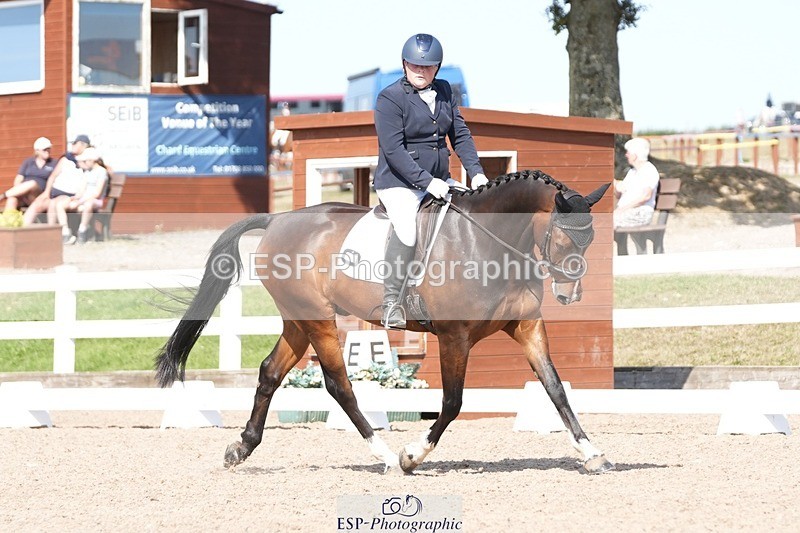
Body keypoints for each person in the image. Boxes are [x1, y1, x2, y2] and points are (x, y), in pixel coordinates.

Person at [373, 33, 488, 329]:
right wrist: (426, 182)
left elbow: (460, 135)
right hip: (399, 184)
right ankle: (391, 303)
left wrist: (476, 172)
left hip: (440, 180)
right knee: (408, 230)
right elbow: (394, 150)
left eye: (427, 67)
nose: (420, 71)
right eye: (414, 66)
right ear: (404, 65)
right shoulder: (389, 98)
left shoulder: (447, 91)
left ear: (437, 68)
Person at [23, 134, 91, 227]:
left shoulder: (87, 162)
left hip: (69, 195)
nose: (73, 145)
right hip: (54, 193)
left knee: (53, 204)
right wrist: (46, 193)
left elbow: (100, 170)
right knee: (38, 203)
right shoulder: (66, 159)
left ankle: (53, 232)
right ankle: (22, 228)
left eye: (75, 143)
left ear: (84, 146)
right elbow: (52, 177)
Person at [49, 147, 108, 244]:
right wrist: (75, 198)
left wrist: (80, 201)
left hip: (94, 201)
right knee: (61, 204)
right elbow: (82, 190)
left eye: (85, 160)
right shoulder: (87, 172)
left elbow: (97, 194)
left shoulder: (102, 172)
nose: (84, 163)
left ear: (91, 160)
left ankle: (82, 231)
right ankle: (66, 232)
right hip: (83, 200)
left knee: (87, 205)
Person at [613, 137, 660, 231]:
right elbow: (619, 194)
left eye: (628, 153)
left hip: (640, 212)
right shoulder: (632, 172)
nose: (626, 155)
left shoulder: (648, 170)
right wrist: (616, 187)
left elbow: (645, 197)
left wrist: (621, 210)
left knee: (606, 221)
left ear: (635, 155)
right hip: (626, 212)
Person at [0, 137, 56, 212]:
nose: (47, 151)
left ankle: (2, 196)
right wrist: (19, 192)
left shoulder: (54, 163)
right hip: (25, 195)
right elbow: (18, 179)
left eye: (49, 149)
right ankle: (7, 222)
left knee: (32, 183)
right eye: (45, 149)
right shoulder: (28, 162)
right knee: (12, 199)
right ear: (37, 151)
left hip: (39, 195)